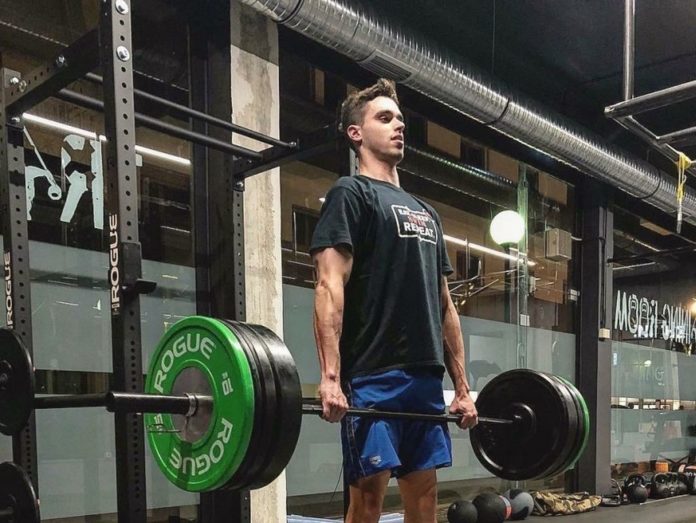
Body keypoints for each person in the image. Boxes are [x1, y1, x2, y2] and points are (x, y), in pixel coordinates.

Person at [310, 78, 478, 523]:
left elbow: (444, 306)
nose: (398, 126)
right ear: (356, 133)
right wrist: (331, 378)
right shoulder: (351, 194)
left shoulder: (428, 213)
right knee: (368, 500)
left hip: (424, 377)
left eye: (400, 119)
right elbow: (329, 285)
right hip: (372, 374)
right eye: (384, 118)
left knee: (424, 499)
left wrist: (462, 389)